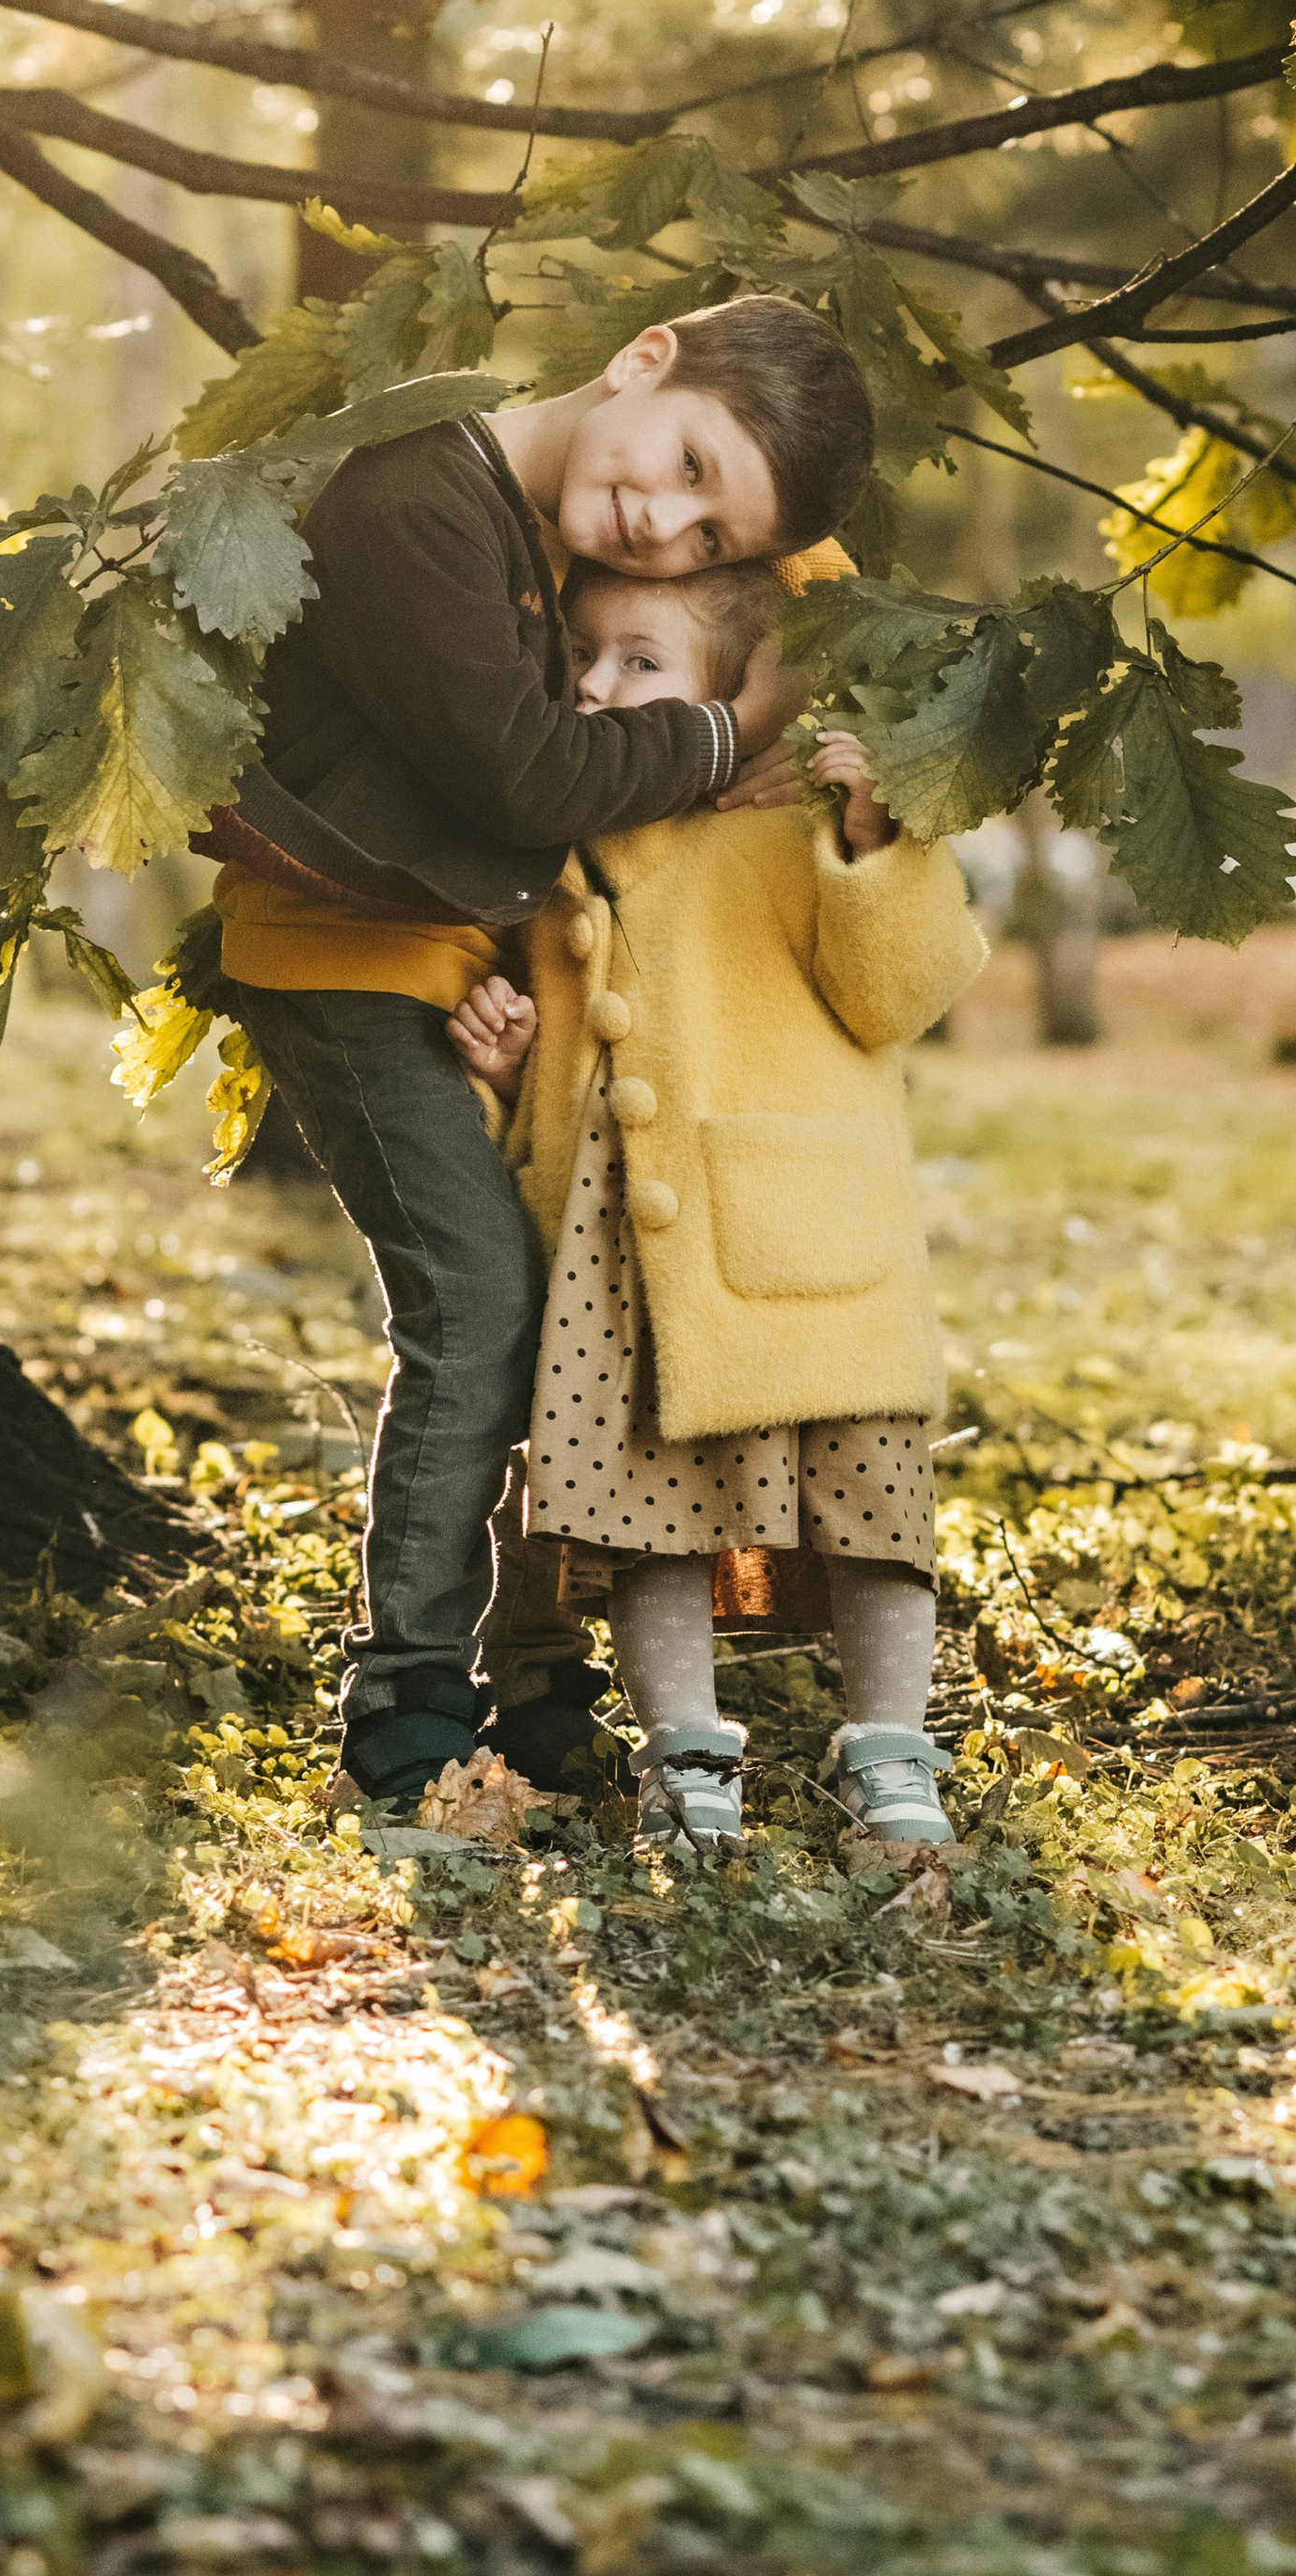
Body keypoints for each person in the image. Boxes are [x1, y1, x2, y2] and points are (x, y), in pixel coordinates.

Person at [200, 298, 877, 1816]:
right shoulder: (415, 505)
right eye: (689, 460)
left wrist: (815, 632)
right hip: (352, 960)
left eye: (714, 537)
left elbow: (825, 586)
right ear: (645, 351)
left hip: (492, 977)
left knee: (580, 1313)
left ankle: (537, 1664)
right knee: (484, 1305)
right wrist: (730, 729)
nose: (669, 522)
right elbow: (532, 775)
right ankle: (410, 1680)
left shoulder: (578, 528)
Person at [447, 557, 986, 1855]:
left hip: (805, 1240)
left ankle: (895, 1746)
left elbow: (899, 990)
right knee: (651, 1518)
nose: (594, 683)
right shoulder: (558, 851)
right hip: (623, 1257)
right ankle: (685, 1753)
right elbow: (566, 1080)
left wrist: (877, 845)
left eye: (640, 660)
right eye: (583, 657)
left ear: (730, 697)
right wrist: (514, 1074)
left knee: (868, 1506)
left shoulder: (793, 821)